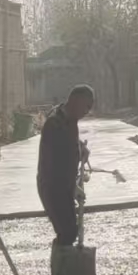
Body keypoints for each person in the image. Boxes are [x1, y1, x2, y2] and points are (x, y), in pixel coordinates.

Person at [37, 84, 95, 246]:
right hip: (53, 188)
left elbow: (68, 141)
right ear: (75, 101)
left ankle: (64, 260)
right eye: (86, 106)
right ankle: (61, 262)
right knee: (67, 233)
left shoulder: (68, 119)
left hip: (64, 187)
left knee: (70, 232)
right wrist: (73, 186)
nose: (87, 111)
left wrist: (80, 147)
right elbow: (54, 166)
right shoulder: (54, 124)